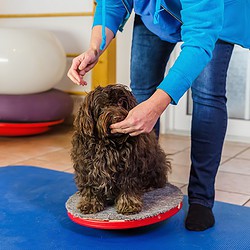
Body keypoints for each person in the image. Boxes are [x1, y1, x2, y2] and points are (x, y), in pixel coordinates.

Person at [67, 0, 250, 231]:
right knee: (142, 91)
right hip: (155, 16)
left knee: (208, 96)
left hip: (213, 16)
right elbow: (111, 5)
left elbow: (200, 42)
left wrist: (156, 106)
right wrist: (95, 47)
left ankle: (201, 199)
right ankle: (136, 183)